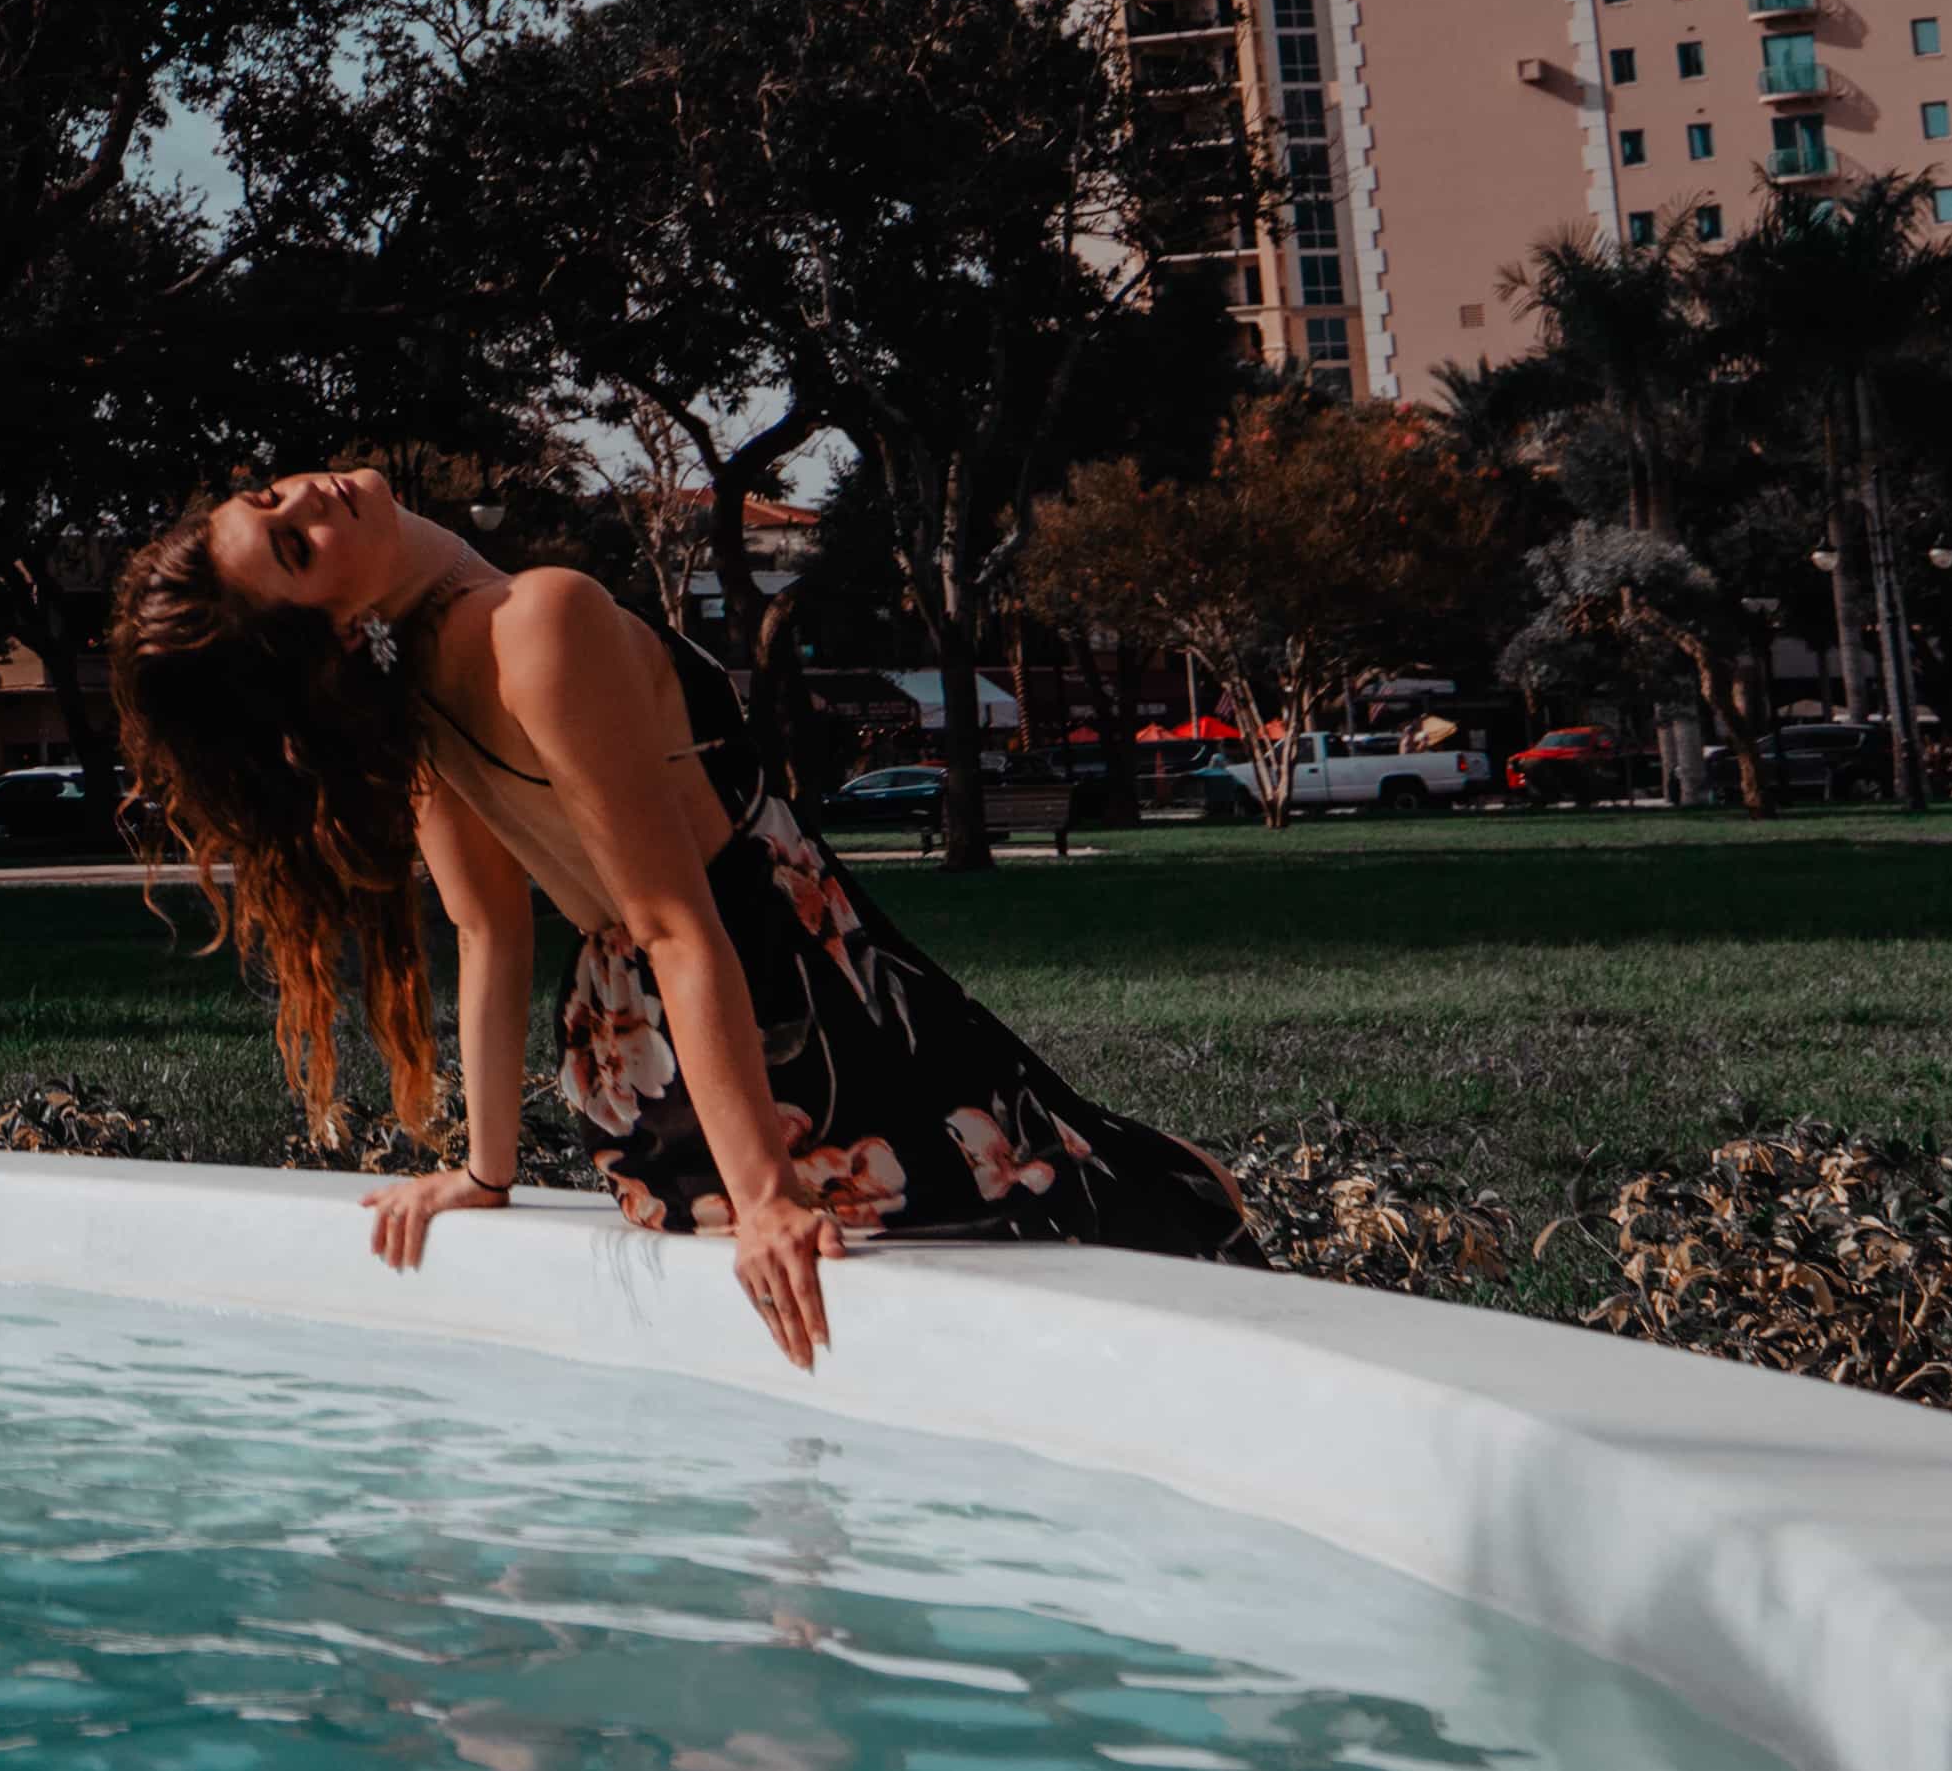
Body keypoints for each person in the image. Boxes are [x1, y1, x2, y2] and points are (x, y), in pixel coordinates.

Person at [107, 465, 1241, 1367]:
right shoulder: (533, 617)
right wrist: (765, 1199)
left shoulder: (417, 699)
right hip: (789, 1017)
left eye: (270, 500)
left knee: (1087, 1205)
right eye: (293, 548)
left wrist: (485, 1170)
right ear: (334, 631)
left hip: (630, 1077)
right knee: (1163, 1199)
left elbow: (491, 937)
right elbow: (673, 922)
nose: (307, 500)